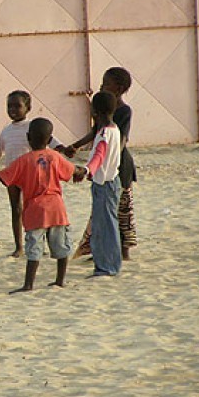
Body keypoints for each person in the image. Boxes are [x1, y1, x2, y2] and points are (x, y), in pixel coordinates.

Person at [0, 118, 81, 293]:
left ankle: (28, 284)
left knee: (34, 249)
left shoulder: (24, 161)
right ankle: (60, 280)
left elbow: (0, 176)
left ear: (28, 137)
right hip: (57, 210)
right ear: (49, 141)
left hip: (35, 211)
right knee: (62, 246)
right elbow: (72, 171)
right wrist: (83, 171)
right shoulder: (55, 157)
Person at [66, 67, 137, 261]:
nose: (101, 86)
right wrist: (76, 146)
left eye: (106, 84)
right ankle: (100, 248)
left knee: (122, 207)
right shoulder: (104, 111)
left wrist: (111, 156)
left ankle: (123, 250)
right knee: (103, 208)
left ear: (119, 88)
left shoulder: (123, 111)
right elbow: (95, 132)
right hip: (105, 162)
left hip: (119, 165)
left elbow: (121, 140)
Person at [73, 91, 122, 276]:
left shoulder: (103, 134)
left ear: (96, 111)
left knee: (105, 227)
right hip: (111, 182)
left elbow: (98, 156)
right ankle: (106, 265)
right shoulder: (114, 129)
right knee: (106, 225)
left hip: (104, 184)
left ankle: (107, 267)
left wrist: (86, 170)